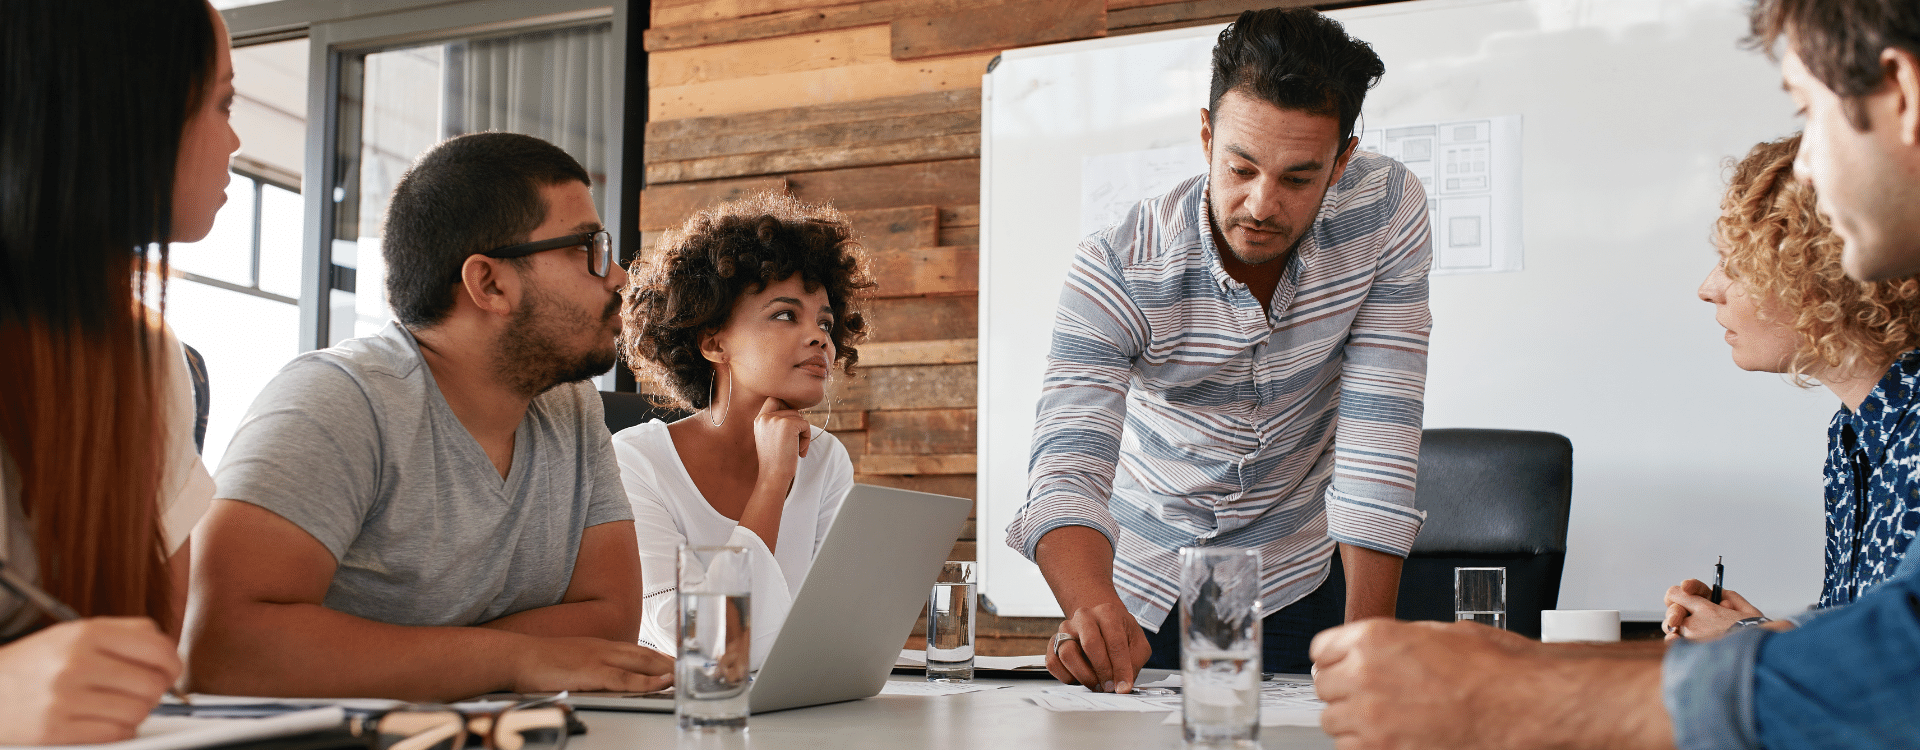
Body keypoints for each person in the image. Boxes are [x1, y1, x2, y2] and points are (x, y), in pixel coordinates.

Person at [1310, 2, 1920, 748]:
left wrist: (1512, 687)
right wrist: (1763, 633)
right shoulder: (1862, 433)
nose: (1811, 170)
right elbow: (1879, 641)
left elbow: (1895, 676)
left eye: (1808, 110)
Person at [1007, 6, 1432, 692]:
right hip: (1147, 577)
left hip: (1293, 569)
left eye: (1298, 178)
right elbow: (1067, 468)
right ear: (1207, 135)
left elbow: (1379, 434)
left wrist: (1368, 644)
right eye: (1240, 167)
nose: (1262, 204)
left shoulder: (1384, 210)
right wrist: (1088, 604)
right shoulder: (1117, 268)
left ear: (1341, 160)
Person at [183, 132, 672, 701]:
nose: (617, 277)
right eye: (587, 248)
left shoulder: (571, 408)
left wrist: (425, 656)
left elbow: (610, 621)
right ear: (489, 283)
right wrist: (520, 657)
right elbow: (223, 645)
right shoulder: (338, 400)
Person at [0, 0, 233, 743]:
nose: (233, 139)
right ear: (123, 108)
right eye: (222, 101)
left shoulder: (148, 360)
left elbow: (146, 666)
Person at [1664, 134, 1920, 641]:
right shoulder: (1853, 429)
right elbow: (1860, 640)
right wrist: (1753, 630)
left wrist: (1748, 641)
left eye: (1736, 264)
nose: (1707, 288)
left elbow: (1893, 689)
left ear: (1823, 281)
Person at [614, 192, 874, 669]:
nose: (820, 337)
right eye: (784, 314)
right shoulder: (636, 462)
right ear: (714, 342)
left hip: (794, 717)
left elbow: (831, 634)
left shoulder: (824, 458)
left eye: (826, 322)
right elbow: (700, 643)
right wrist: (773, 483)